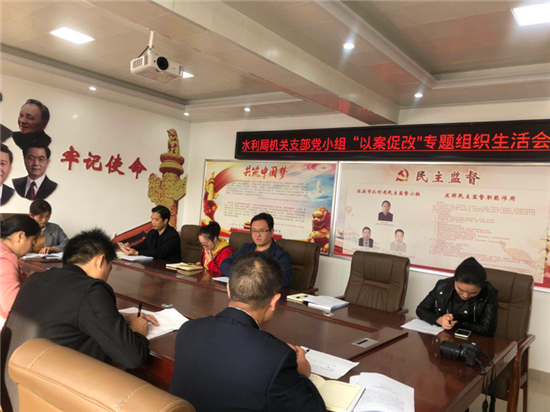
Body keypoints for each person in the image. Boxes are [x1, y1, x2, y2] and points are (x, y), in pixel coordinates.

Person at [2, 229, 158, 412]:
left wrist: (119, 316)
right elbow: (132, 357)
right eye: (109, 269)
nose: (107, 276)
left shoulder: (35, 279)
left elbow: (64, 312)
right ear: (100, 260)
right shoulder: (92, 290)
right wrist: (138, 331)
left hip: (11, 393)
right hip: (48, 402)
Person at [170, 252, 325, 412]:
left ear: (228, 290)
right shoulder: (278, 358)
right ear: (274, 301)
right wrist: (302, 375)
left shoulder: (188, 329)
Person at [416, 257, 498, 337]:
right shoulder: (443, 286)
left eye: (473, 292)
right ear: (454, 280)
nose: (465, 296)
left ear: (482, 287)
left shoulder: (489, 292)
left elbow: (488, 329)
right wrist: (439, 319)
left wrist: (455, 322)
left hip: (475, 340)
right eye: (460, 290)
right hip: (444, 336)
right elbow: (421, 309)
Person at [220, 213, 292, 288]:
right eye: (254, 231)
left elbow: (285, 280)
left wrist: (254, 278)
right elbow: (224, 264)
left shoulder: (281, 255)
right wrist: (242, 275)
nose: (257, 235)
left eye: (262, 231)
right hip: (243, 290)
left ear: (271, 232)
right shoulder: (246, 248)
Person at [0, 216, 40, 323]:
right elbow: (12, 305)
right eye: (33, 242)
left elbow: (22, 265)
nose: (30, 249)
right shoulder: (6, 258)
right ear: (21, 236)